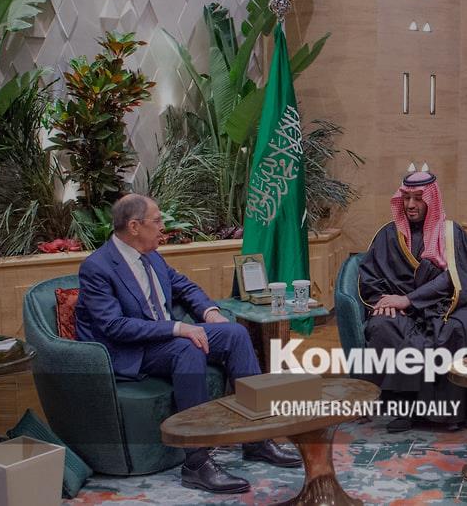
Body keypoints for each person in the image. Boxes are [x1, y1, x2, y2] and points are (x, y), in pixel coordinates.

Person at [75, 195, 300, 494]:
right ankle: (197, 462)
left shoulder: (152, 256)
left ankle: (257, 439)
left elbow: (184, 287)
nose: (163, 226)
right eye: (157, 220)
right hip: (132, 350)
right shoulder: (98, 267)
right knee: (187, 346)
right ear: (134, 226)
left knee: (234, 333)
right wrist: (178, 328)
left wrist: (210, 313)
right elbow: (114, 326)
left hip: (164, 338)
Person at [358, 168, 467, 432]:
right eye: (406, 198)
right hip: (403, 310)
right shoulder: (387, 234)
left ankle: (447, 414)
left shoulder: (451, 233)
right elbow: (371, 277)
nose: (410, 205)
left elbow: (457, 277)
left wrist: (409, 299)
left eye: (418, 198)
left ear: (432, 199)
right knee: (384, 326)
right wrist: (386, 303)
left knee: (457, 328)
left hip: (445, 305)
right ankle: (403, 409)